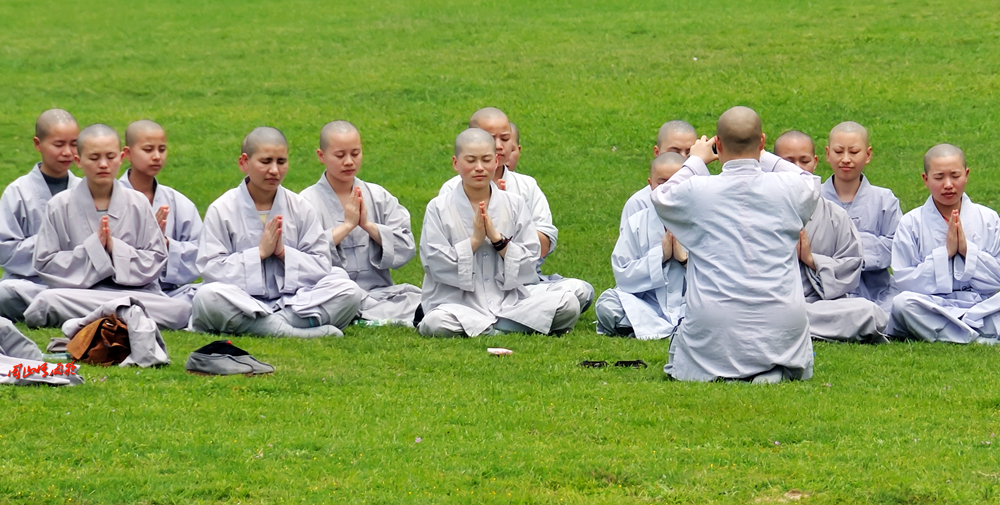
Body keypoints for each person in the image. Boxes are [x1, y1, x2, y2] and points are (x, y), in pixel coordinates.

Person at [650, 106, 820, 383]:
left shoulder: (698, 190)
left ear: (717, 144)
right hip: (781, 325)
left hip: (716, 326)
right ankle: (771, 370)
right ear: (762, 142)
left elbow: (661, 195)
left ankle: (731, 372)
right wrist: (761, 154)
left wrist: (695, 161)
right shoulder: (789, 187)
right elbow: (809, 180)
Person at [191, 127, 362, 338]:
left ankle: (271, 326)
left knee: (348, 289)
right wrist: (259, 253)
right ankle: (293, 331)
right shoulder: (222, 209)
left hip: (295, 301)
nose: (274, 170)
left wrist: (283, 253)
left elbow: (321, 264)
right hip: (243, 300)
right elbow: (210, 269)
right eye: (266, 162)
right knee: (207, 297)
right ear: (244, 162)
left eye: (281, 162)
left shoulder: (300, 207)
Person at [23, 124, 192, 330]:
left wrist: (115, 248)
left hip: (136, 294)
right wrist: (93, 248)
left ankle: (96, 317)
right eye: (94, 158)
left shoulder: (138, 203)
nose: (103, 164)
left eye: (110, 157)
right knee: (48, 299)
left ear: (121, 158)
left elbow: (156, 258)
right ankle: (123, 315)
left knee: (179, 309)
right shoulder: (59, 205)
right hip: (81, 294)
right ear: (78, 161)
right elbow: (45, 262)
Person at [418, 128, 580, 337]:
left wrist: (498, 240)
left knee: (568, 304)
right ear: (456, 163)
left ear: (496, 161)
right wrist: (475, 240)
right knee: (435, 323)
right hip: (459, 305)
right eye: (471, 160)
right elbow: (434, 263)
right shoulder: (438, 208)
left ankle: (488, 329)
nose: (479, 168)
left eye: (486, 160)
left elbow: (530, 261)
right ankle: (510, 328)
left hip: (510, 302)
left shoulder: (514, 204)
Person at [438, 108, 593, 311]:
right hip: (469, 289)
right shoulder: (451, 190)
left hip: (521, 284)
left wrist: (506, 220)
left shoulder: (526, 187)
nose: (500, 146)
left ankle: (496, 320)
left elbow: (542, 246)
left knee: (579, 291)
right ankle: (509, 319)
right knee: (440, 316)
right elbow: (443, 252)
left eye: (505, 138)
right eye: (492, 139)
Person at [300, 121, 420, 324]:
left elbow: (406, 246)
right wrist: (347, 226)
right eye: (340, 155)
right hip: (332, 293)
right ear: (321, 156)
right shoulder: (305, 202)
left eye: (355, 154)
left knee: (423, 299)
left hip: (380, 293)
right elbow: (303, 257)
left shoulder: (378, 196)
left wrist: (369, 226)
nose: (349, 162)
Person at [774, 131, 889, 342]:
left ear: (815, 162)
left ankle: (786, 326)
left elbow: (851, 263)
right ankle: (787, 323)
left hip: (820, 306)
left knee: (869, 312)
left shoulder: (834, 213)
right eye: (788, 162)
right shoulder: (759, 212)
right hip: (772, 302)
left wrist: (811, 259)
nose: (797, 168)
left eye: (804, 161)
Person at [890, 144, 1000, 343]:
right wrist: (945, 254)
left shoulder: (989, 219)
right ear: (925, 179)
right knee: (902, 304)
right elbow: (905, 282)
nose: (948, 184)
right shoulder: (911, 222)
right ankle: (978, 337)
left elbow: (996, 281)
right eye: (939, 177)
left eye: (955, 176)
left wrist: (967, 251)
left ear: (966, 175)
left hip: (983, 305)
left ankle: (954, 333)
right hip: (934, 305)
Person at [0, 109, 81, 321]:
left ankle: (51, 311)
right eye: (58, 144)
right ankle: (63, 311)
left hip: (76, 283)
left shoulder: (85, 190)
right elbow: (6, 252)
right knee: (4, 293)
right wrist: (52, 241)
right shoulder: (17, 192)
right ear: (38, 144)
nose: (67, 152)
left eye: (74, 144)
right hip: (31, 283)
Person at [595, 152, 687, 339]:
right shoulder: (636, 222)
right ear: (650, 184)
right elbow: (623, 275)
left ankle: (647, 331)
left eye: (677, 182)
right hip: (649, 307)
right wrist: (659, 256)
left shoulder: (702, 221)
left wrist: (685, 260)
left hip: (690, 306)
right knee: (607, 303)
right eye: (662, 183)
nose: (669, 189)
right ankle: (671, 331)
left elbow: (717, 277)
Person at [119, 120, 203, 302]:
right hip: (118, 291)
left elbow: (201, 252)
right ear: (127, 154)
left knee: (209, 292)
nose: (157, 156)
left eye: (162, 149)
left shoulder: (178, 202)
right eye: (148, 150)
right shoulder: (110, 199)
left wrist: (166, 244)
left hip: (168, 294)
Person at [821, 121, 901, 311]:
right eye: (839, 152)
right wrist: (869, 242)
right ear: (827, 154)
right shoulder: (814, 198)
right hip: (824, 291)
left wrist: (846, 251)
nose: (846, 159)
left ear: (868, 155)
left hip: (877, 292)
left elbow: (896, 246)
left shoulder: (884, 199)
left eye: (854, 152)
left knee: (902, 306)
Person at [619, 120, 698, 230]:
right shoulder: (639, 204)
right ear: (657, 152)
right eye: (675, 152)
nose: (683, 159)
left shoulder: (703, 195)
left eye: (689, 153)